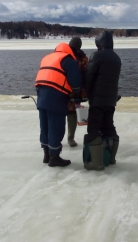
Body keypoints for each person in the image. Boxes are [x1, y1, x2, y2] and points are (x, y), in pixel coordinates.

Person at [34, 43, 81, 167]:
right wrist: (77, 91)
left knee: (45, 126)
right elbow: (76, 83)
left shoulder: (47, 57)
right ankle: (54, 157)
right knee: (56, 126)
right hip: (55, 96)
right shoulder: (68, 60)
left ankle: (46, 155)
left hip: (41, 94)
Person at [84, 30, 121, 171]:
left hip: (98, 99)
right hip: (111, 99)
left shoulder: (97, 56)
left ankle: (97, 163)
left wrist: (88, 94)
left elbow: (89, 76)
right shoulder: (116, 57)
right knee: (108, 127)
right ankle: (111, 159)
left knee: (93, 128)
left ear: (99, 44)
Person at [66, 36, 89, 147]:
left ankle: (70, 138)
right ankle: (57, 138)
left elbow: (86, 76)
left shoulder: (83, 58)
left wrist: (84, 94)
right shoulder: (64, 56)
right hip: (63, 89)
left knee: (72, 115)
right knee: (61, 115)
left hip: (76, 91)